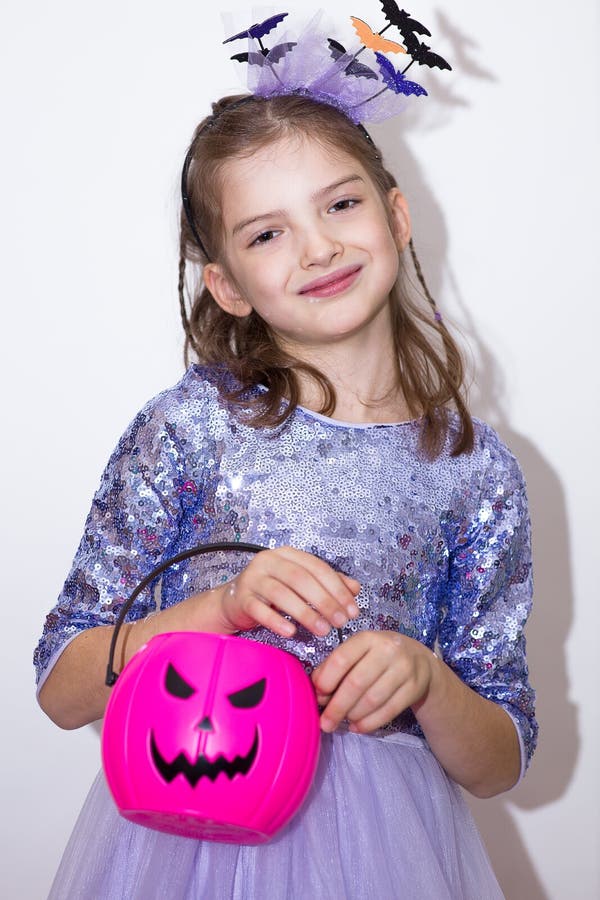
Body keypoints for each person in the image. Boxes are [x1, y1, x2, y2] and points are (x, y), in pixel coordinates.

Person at [34, 10, 537, 899]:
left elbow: (499, 761)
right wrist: (224, 608)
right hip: (193, 838)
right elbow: (66, 687)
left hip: (391, 859)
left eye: (340, 204)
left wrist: (424, 680)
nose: (318, 247)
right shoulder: (192, 429)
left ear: (395, 212)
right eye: (267, 233)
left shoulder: (475, 470)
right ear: (225, 284)